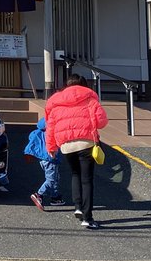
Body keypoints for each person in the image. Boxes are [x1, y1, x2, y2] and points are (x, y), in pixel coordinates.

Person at [45, 74, 109, 230]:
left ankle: (78, 207)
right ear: (83, 84)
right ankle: (88, 218)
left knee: (75, 174)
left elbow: (50, 127)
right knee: (87, 180)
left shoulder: (56, 102)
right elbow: (102, 122)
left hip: (66, 145)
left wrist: (51, 147)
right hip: (86, 143)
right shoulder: (90, 99)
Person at [24, 117, 64, 210]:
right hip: (51, 158)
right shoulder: (53, 131)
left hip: (42, 158)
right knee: (51, 179)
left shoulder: (39, 131)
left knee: (55, 177)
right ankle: (39, 194)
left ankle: (55, 197)